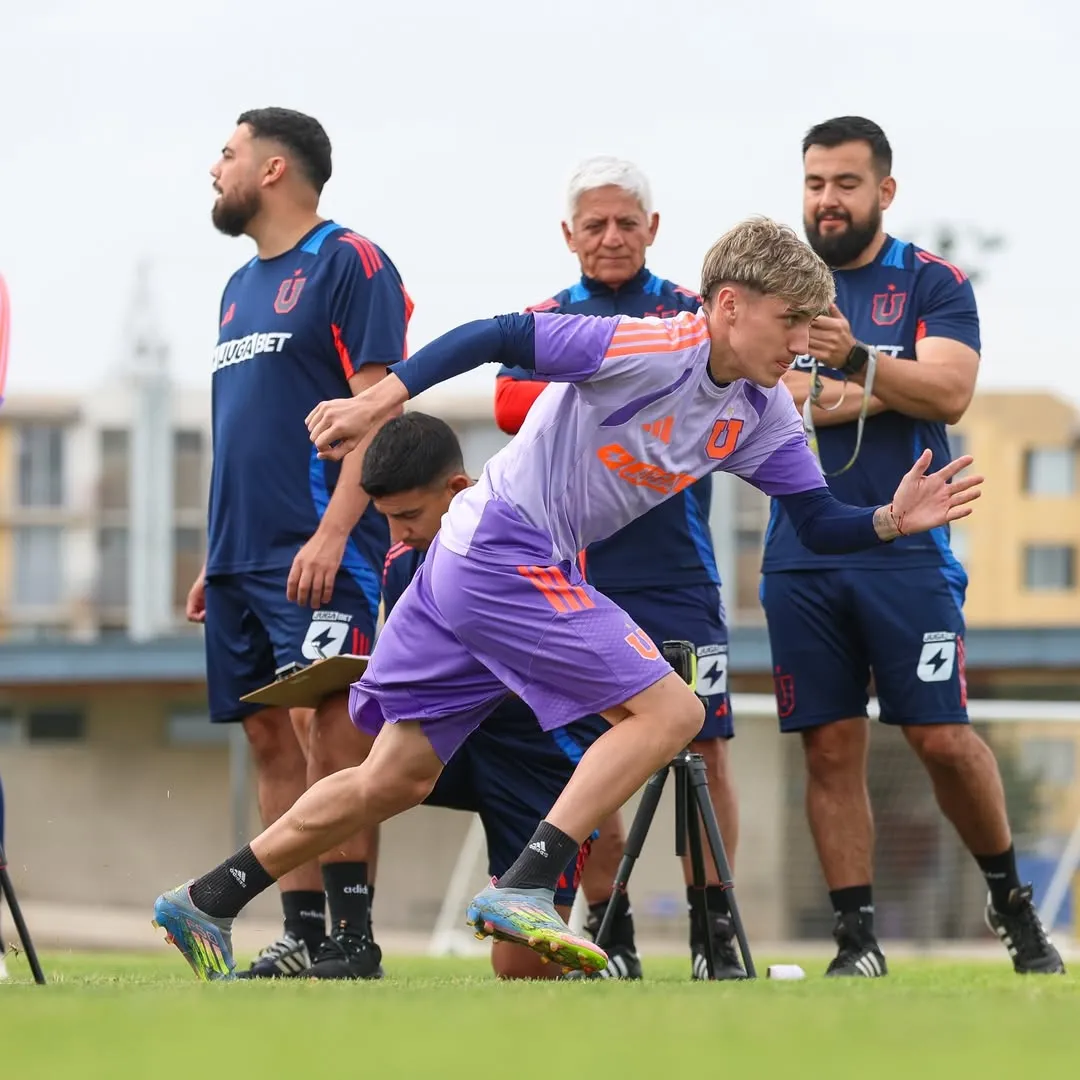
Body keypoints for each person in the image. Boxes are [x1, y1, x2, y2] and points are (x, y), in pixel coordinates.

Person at [152, 215, 982, 981]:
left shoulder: (762, 414)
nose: (806, 345)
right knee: (673, 715)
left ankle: (208, 898)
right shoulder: (648, 345)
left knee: (393, 777)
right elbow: (499, 334)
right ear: (731, 306)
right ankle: (529, 882)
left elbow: (820, 521)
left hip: (471, 562)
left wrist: (886, 522)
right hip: (504, 552)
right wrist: (381, 397)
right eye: (792, 322)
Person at [760, 115, 1063, 976]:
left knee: (940, 738)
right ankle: (856, 942)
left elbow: (954, 388)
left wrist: (854, 364)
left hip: (909, 549)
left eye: (845, 184)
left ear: (883, 191)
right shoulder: (780, 284)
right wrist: (892, 381)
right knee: (828, 745)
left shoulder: (932, 280)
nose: (827, 200)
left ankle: (1011, 902)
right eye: (815, 183)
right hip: (804, 547)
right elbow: (782, 399)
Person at [494, 156, 742, 980]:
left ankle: (714, 940)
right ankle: (613, 931)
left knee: (704, 749)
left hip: (678, 571)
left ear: (653, 229)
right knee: (589, 759)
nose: (609, 237)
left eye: (625, 223)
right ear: (568, 234)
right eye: (593, 225)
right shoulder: (547, 315)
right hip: (576, 575)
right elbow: (506, 402)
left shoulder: (693, 312)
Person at [191, 107, 412, 979]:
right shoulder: (237, 286)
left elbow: (378, 408)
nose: (216, 168)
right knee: (269, 741)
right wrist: (216, 553)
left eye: (228, 152)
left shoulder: (351, 262)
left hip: (322, 549)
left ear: (274, 169)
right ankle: (303, 932)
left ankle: (355, 940)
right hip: (241, 557)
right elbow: (242, 428)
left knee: (333, 731)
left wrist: (330, 533)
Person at [366, 410, 609, 979]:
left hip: (533, 753)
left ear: (456, 490)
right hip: (447, 741)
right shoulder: (402, 562)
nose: (399, 533)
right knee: (332, 742)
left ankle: (604, 937)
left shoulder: (535, 534)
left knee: (523, 971)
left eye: (408, 515)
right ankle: (341, 932)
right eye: (387, 519)